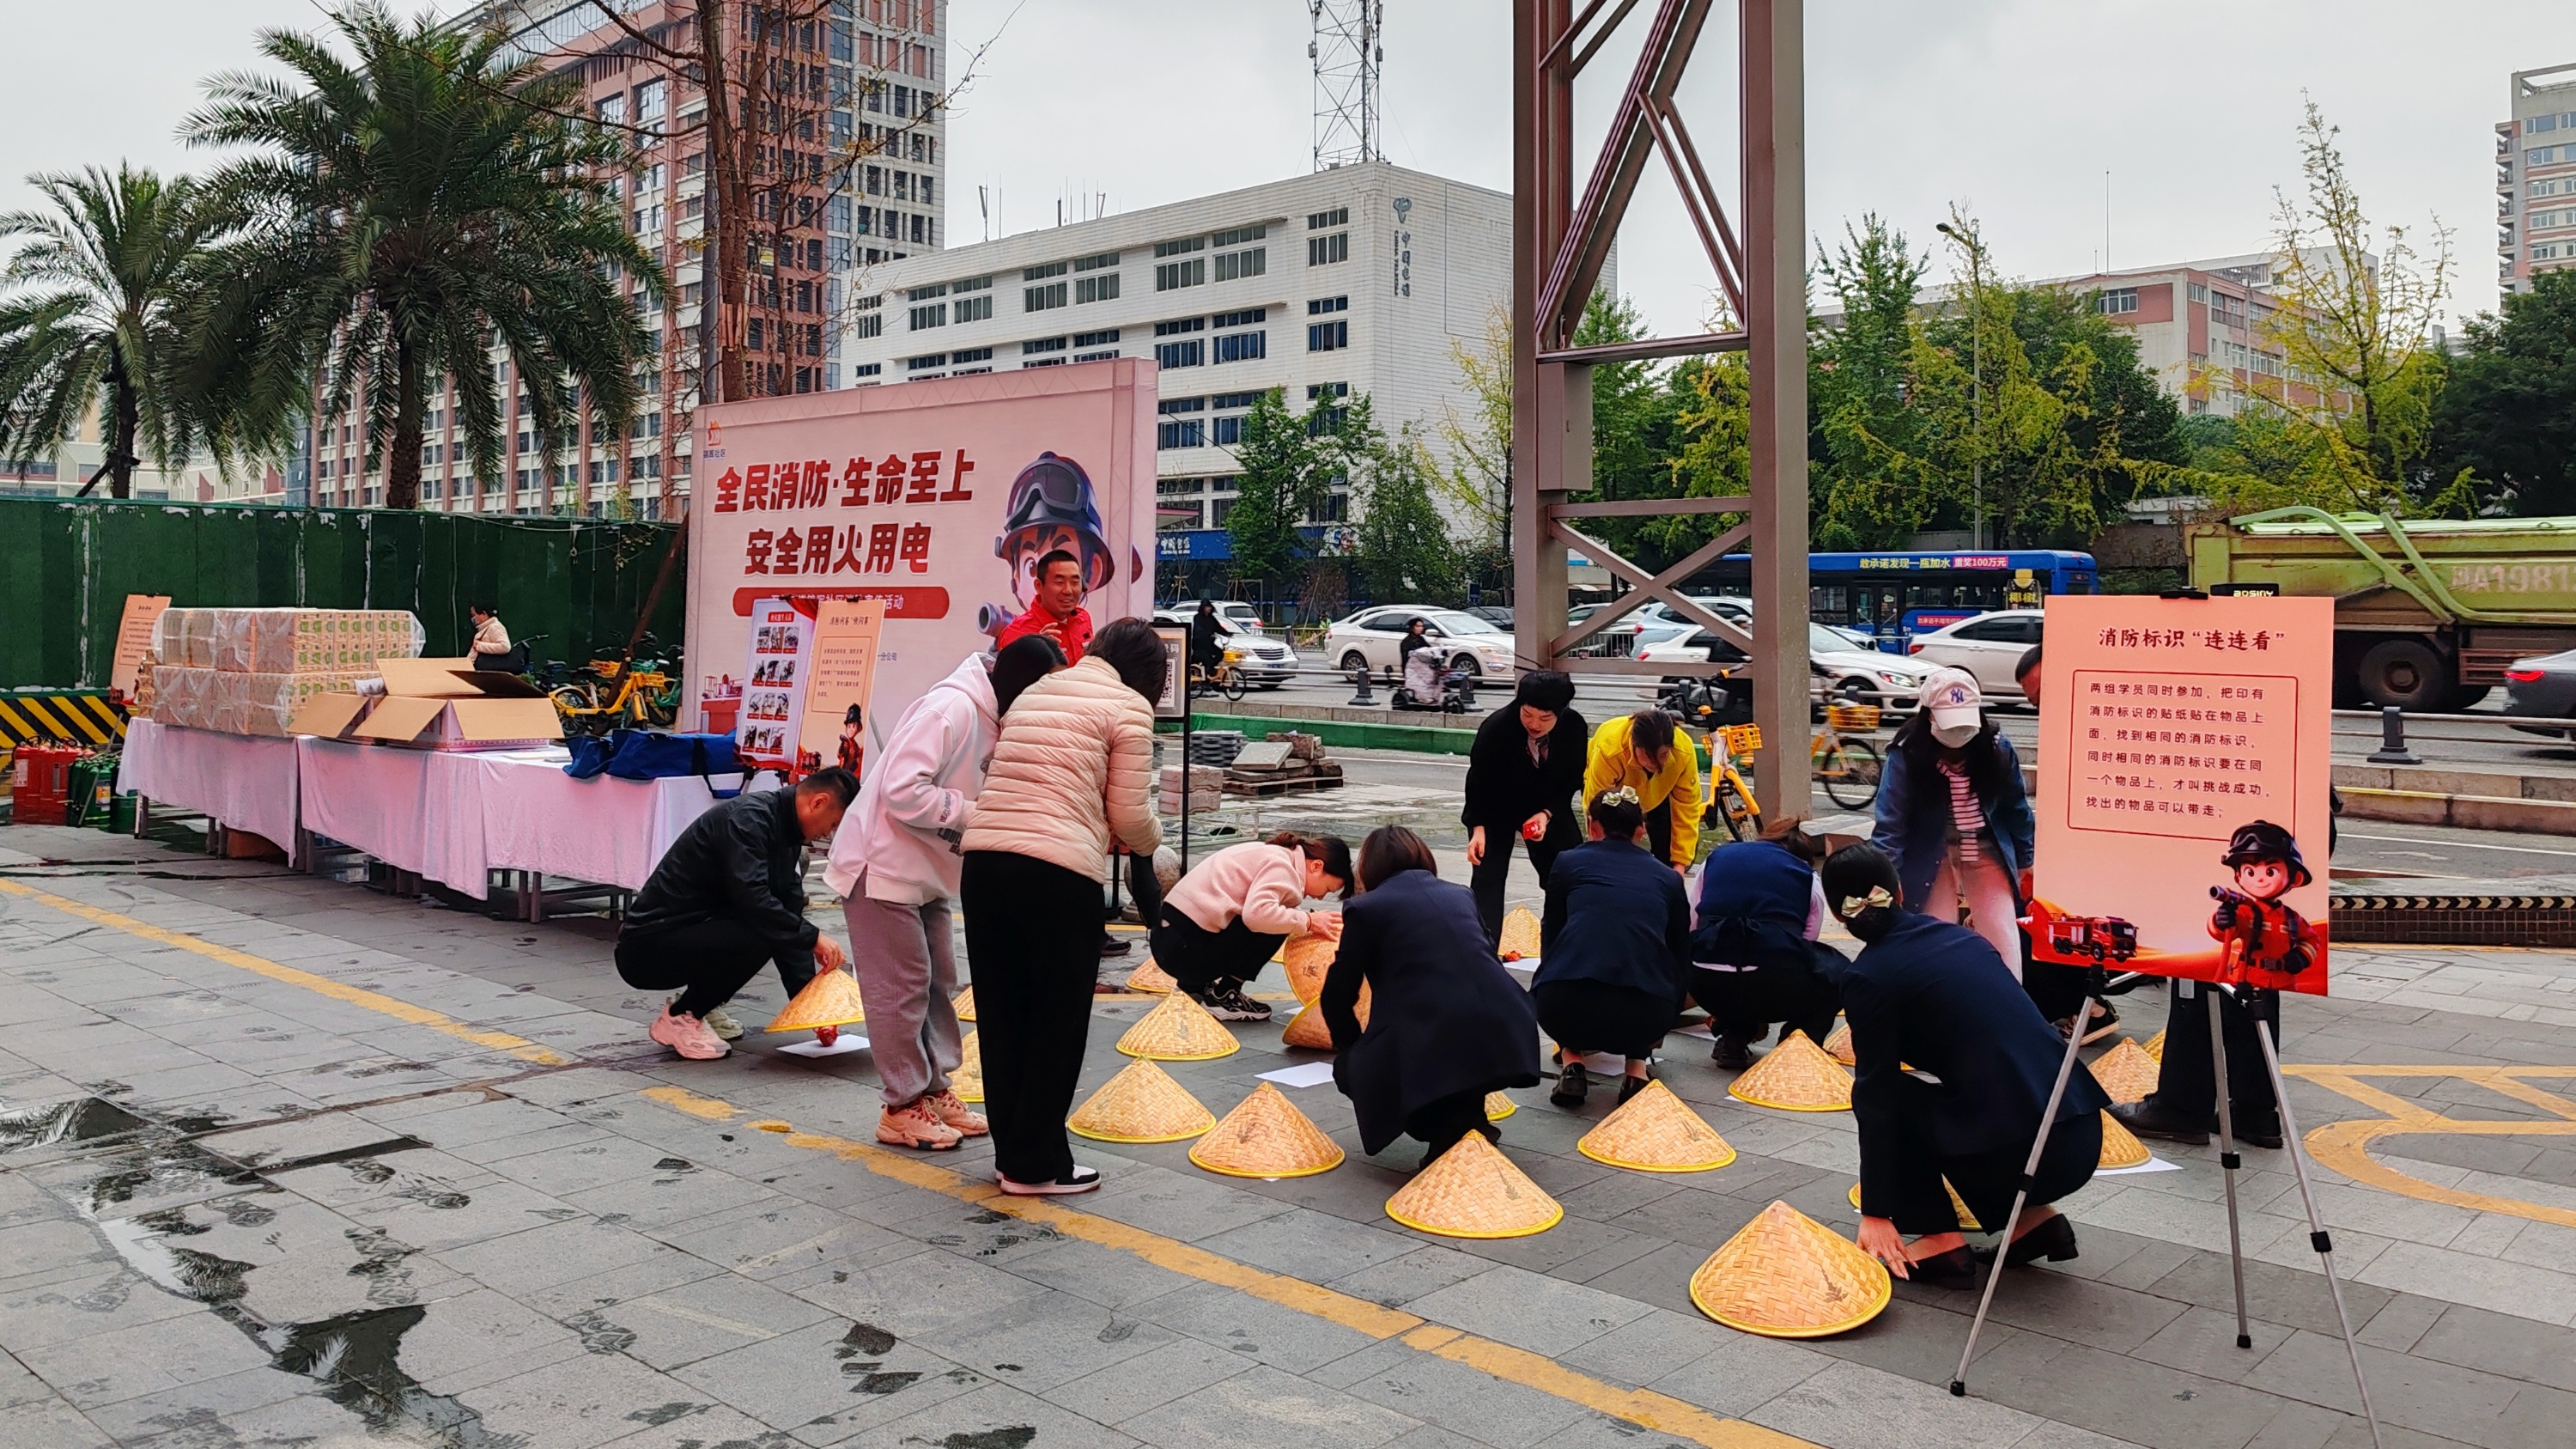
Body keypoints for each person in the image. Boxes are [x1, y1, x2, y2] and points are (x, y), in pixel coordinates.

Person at [1825, 843, 2109, 1288]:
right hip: (2081, 1132)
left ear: (1839, 917)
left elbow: (1877, 1095)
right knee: (1978, 1094)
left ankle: (1941, 1243)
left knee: (1897, 1098)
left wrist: (1878, 1211)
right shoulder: (1961, 937)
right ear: (1900, 894)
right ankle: (2032, 1224)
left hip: (2028, 1155)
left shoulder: (1869, 977)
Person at [825, 637, 1065, 1150]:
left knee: (938, 980)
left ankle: (933, 1089)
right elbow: (902, 789)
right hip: (882, 865)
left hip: (925, 869)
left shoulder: (995, 715)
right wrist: (975, 814)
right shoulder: (952, 707)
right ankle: (901, 1104)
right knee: (899, 987)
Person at [959, 618, 1166, 1195]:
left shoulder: (1041, 689)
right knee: (1056, 1018)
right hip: (1055, 874)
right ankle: (1037, 1165)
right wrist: (1150, 839)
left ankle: (1014, 1154)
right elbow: (1127, 817)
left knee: (1004, 1014)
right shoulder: (1128, 708)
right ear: (1147, 675)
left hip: (985, 864)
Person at [1323, 825, 1541, 1166]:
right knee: (1448, 1037)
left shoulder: (1366, 908)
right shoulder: (1459, 894)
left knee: (1371, 1061)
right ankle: (1468, 1124)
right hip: (1509, 1019)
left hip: (1437, 1031)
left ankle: (1448, 1130)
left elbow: (1337, 994)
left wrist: (1352, 1053)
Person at [616, 768, 860, 1060]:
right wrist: (813, 937)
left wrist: (811, 1005)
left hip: (690, 932)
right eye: (833, 824)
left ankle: (704, 1003)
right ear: (818, 802)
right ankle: (682, 1016)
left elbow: (787, 908)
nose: (827, 834)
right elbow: (753, 900)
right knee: (760, 930)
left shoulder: (785, 831)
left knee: (774, 925)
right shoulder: (748, 820)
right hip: (647, 948)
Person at [2114, 821, 2321, 1152]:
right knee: (2254, 1003)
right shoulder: (2248, 908)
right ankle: (2254, 1112)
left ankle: (2183, 1105)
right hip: (2246, 967)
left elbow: (2309, 940)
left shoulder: (2290, 918)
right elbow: (2222, 927)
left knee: (2198, 977)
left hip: (2209, 804)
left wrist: (2299, 956)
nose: (2260, 878)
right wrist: (2221, 921)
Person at [1532, 788, 1692, 1108]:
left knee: (1564, 968)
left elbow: (1552, 935)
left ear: (1592, 826)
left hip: (1562, 1008)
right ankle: (1635, 1068)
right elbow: (1679, 953)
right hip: (1645, 1016)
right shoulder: (1667, 878)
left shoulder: (1567, 863)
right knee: (1653, 971)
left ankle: (1573, 1060)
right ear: (1641, 830)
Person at [1869, 667, 2033, 977]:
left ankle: (2007, 1010)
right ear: (1929, 716)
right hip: (1930, 854)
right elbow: (1890, 824)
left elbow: (2016, 808)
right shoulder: (1907, 755)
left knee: (2004, 942)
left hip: (1985, 849)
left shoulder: (1996, 748)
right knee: (1934, 939)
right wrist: (1887, 879)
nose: (1958, 734)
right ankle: (1939, 1011)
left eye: (1965, 725)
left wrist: (2026, 861)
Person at [1689, 817, 1844, 1069]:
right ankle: (1795, 1045)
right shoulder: (1806, 875)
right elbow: (1807, 941)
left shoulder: (1716, 858)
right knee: (1837, 974)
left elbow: (1693, 923)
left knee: (1734, 961)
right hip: (1774, 983)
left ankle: (1734, 1036)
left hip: (1706, 985)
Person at [1151, 832, 1352, 1021]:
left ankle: (1193, 987)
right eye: (1326, 889)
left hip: (1168, 941)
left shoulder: (1277, 854)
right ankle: (1225, 996)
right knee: (1278, 920)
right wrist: (1307, 921)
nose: (1320, 897)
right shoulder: (1284, 868)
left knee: (1282, 915)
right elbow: (1257, 915)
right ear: (1316, 866)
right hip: (1184, 951)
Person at [1462, 669, 1589, 946]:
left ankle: (1566, 943)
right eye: (1528, 714)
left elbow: (1571, 778)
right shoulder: (1496, 728)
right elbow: (1478, 780)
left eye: (1545, 718)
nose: (1534, 724)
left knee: (1568, 869)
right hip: (1496, 806)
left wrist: (1546, 813)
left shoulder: (1574, 727)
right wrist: (1478, 827)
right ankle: (1483, 949)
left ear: (1561, 712)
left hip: (1546, 803)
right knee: (1488, 876)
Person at [1583, 709, 1704, 874]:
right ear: (1634, 743)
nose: (1656, 762)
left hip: (1659, 795)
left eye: (1663, 754)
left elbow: (1687, 807)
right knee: (1614, 850)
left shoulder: (1684, 750)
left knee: (1666, 860)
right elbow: (1595, 809)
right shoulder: (1610, 749)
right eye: (1648, 755)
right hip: (1615, 799)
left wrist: (1680, 865)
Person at [995, 548, 1094, 664]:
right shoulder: (1016, 633)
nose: (1068, 591)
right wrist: (1036, 650)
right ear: (1038, 586)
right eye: (1059, 582)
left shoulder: (1083, 618)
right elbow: (1008, 680)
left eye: (1074, 582)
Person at [468, 602, 517, 672]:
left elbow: (505, 647)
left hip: (487, 670)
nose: (473, 618)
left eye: (474, 615)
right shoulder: (485, 628)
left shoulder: (495, 627)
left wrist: (479, 646)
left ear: (484, 614)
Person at [1188, 599, 1224, 677]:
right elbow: (1199, 629)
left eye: (1210, 607)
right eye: (1207, 607)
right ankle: (1205, 680)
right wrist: (1208, 634)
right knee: (1206, 660)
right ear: (1203, 608)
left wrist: (1227, 633)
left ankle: (1210, 669)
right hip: (1200, 645)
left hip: (1209, 644)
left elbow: (1218, 627)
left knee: (1220, 653)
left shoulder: (1211, 618)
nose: (1209, 609)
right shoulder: (1198, 617)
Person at [835, 703, 865, 776]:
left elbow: (857, 758)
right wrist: (843, 745)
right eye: (849, 726)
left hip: (851, 772)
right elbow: (840, 755)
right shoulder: (846, 742)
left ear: (859, 728)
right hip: (843, 771)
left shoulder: (856, 746)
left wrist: (854, 765)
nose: (851, 730)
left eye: (854, 726)